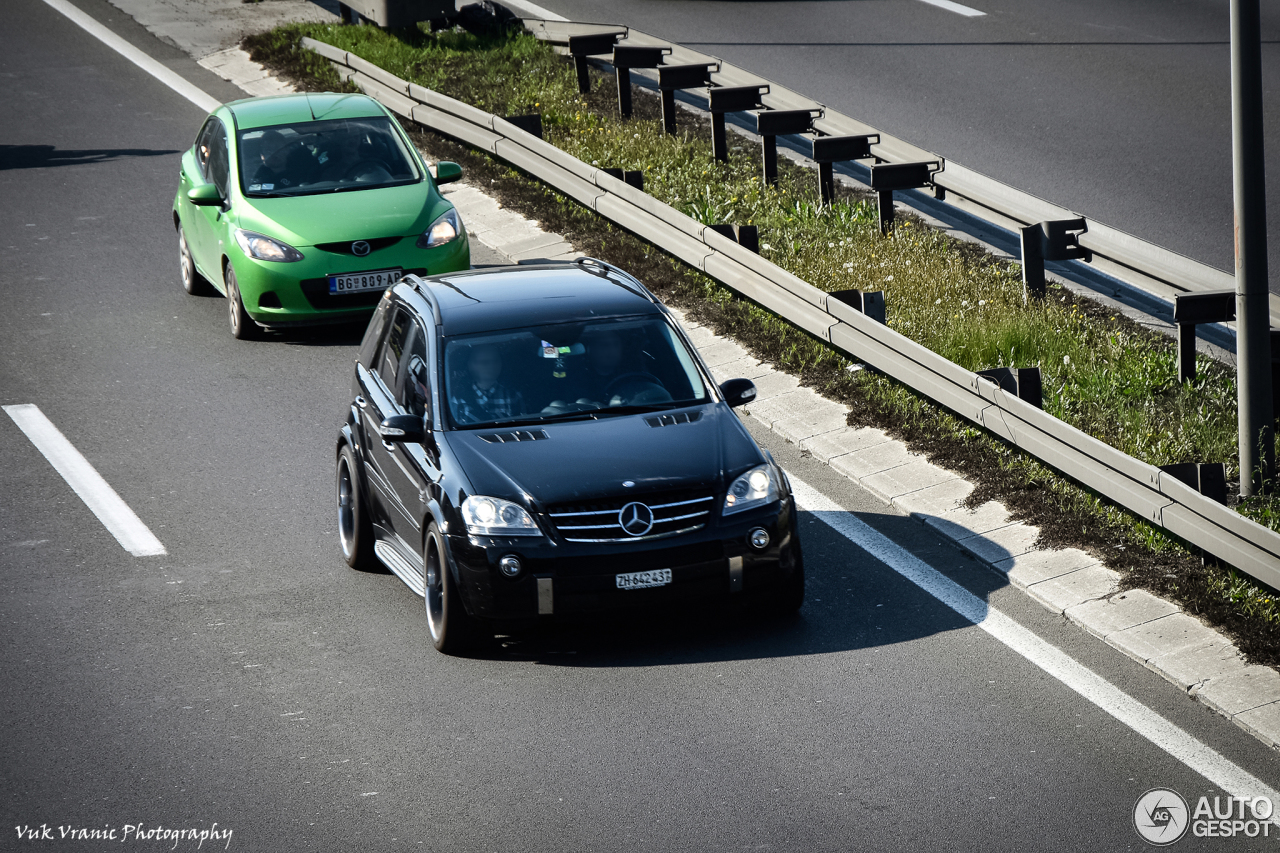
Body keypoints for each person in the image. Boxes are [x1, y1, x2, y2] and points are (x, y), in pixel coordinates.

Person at [449, 344, 524, 425]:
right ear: (471, 365)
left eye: (496, 361)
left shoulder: (512, 396)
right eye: (484, 362)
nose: (492, 366)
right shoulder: (458, 399)